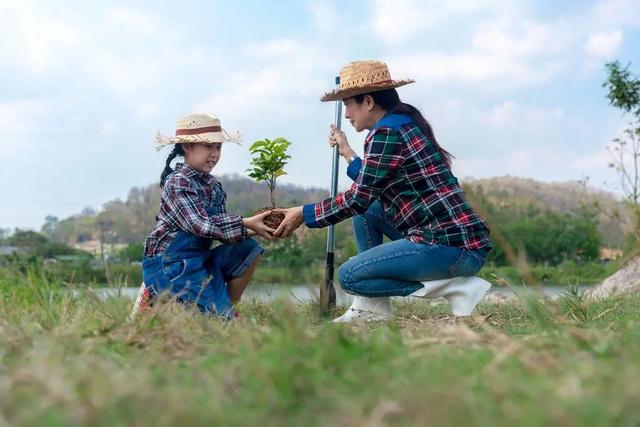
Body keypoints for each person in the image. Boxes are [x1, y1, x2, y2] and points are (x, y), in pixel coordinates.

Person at [274, 60, 493, 322]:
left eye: (347, 105)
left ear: (367, 101)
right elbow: (373, 184)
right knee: (367, 212)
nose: (346, 114)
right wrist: (347, 152)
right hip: (455, 241)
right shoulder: (401, 124)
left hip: (450, 247)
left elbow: (358, 197)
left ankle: (457, 287)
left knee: (350, 276)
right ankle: (372, 309)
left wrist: (303, 213)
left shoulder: (386, 132)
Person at [139, 113, 274, 319]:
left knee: (249, 249)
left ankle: (227, 307)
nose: (214, 154)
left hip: (199, 260)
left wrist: (261, 227)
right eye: (208, 146)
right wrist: (247, 223)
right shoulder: (178, 182)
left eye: (218, 147)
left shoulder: (214, 186)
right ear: (187, 147)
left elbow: (222, 232)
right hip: (170, 265)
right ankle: (154, 297)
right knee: (220, 325)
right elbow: (200, 226)